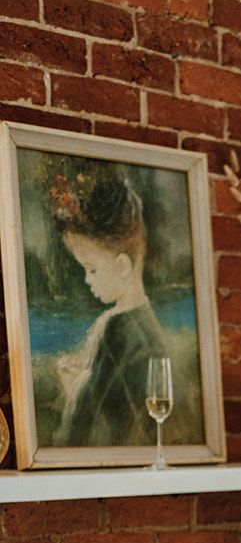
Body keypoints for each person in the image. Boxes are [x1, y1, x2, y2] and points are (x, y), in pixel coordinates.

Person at [48, 169, 169, 447]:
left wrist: (73, 387)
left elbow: (85, 425)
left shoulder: (118, 330)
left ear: (123, 266)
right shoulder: (137, 322)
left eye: (91, 269)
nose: (87, 280)